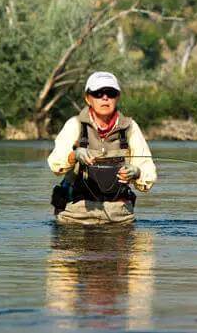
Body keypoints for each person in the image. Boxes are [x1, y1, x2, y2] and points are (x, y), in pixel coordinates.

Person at [47, 71, 156, 225]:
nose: (105, 98)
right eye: (98, 93)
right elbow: (55, 165)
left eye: (110, 93)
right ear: (88, 98)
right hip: (75, 216)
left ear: (117, 97)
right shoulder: (75, 125)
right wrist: (75, 155)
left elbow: (148, 175)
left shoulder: (131, 128)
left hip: (119, 217)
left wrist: (136, 172)